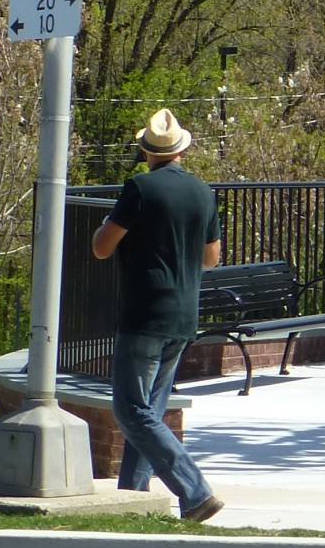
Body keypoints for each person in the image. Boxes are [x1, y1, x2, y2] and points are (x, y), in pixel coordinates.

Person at [90, 108, 225, 522]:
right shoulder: (203, 191)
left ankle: (196, 491)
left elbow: (101, 246)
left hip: (145, 313)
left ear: (147, 151)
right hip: (184, 316)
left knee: (130, 410)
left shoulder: (140, 188)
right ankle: (133, 497)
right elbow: (210, 259)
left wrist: (109, 226)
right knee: (148, 411)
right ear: (182, 150)